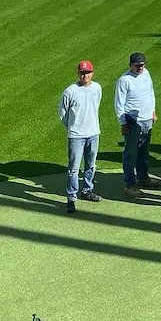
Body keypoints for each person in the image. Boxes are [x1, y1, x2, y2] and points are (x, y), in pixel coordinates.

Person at [58, 60, 101, 213]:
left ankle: (88, 190)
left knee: (91, 165)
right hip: (76, 136)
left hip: (94, 133)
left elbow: (96, 106)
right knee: (73, 169)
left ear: (92, 73)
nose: (85, 75)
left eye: (87, 72)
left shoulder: (97, 88)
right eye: (82, 73)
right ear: (78, 74)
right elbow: (62, 114)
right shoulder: (70, 91)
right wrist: (73, 127)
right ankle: (71, 197)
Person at [114, 51, 157, 197]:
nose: (140, 68)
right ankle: (130, 184)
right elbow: (119, 104)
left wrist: (153, 111)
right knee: (130, 153)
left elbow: (150, 92)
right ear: (130, 65)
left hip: (147, 119)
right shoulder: (124, 80)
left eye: (142, 65)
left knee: (144, 152)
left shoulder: (146, 74)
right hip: (132, 121)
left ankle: (143, 177)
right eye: (137, 65)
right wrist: (123, 123)